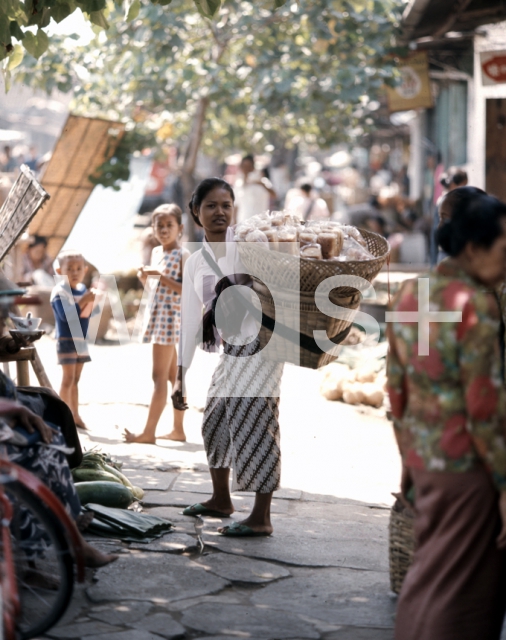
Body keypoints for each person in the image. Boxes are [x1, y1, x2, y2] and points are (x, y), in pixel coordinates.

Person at [387, 192, 506, 640]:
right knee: (468, 596)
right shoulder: (477, 304)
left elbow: (397, 390)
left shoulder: (408, 295)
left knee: (431, 571)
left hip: (425, 458)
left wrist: (406, 460)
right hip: (469, 466)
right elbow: (483, 406)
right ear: (474, 247)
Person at [172, 178, 284, 536]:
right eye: (211, 206)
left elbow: (276, 284)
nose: (219, 212)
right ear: (195, 212)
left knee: (255, 421)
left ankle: (261, 517)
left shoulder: (249, 243)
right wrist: (180, 374)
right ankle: (222, 499)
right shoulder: (194, 262)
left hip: (264, 343)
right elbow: (190, 320)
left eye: (226, 205)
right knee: (215, 420)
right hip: (233, 347)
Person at [124, 204, 189, 444]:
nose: (163, 230)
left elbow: (187, 291)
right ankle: (178, 430)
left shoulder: (182, 255)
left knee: (158, 377)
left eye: (169, 225)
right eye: (159, 225)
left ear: (180, 228)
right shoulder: (157, 253)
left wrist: (159, 276)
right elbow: (156, 289)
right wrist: (145, 278)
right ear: (152, 228)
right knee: (173, 377)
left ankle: (148, 432)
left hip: (171, 319)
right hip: (159, 315)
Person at [50, 251, 97, 430]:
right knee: (68, 379)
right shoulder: (60, 291)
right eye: (69, 268)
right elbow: (65, 317)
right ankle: (63, 417)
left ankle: (75, 415)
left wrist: (90, 302)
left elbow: (84, 316)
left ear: (85, 270)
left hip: (81, 340)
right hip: (67, 340)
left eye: (78, 268)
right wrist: (84, 301)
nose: (74, 272)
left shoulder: (82, 289)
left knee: (75, 380)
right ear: (59, 270)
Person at [430, 167, 468, 266]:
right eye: (463, 185)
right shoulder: (450, 202)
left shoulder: (443, 200)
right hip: (450, 254)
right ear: (452, 184)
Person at [234, 155, 276, 223]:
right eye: (244, 166)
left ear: (253, 166)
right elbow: (236, 205)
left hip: (260, 222)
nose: (246, 169)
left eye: (248, 166)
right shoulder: (239, 183)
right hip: (243, 222)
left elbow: (274, 195)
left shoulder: (262, 180)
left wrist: (261, 184)